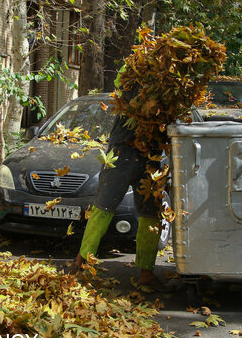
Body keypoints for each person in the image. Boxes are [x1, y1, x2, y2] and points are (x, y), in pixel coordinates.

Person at [70, 85, 175, 292]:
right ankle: (79, 265)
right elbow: (123, 85)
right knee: (103, 208)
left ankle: (146, 273)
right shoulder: (133, 77)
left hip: (151, 156)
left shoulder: (169, 85)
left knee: (151, 215)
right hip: (122, 152)